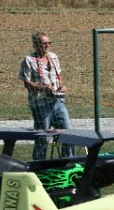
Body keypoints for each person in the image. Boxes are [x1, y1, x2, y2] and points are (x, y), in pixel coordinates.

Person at [19, 31, 74, 160]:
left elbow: (59, 79)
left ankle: (69, 162)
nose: (47, 46)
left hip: (58, 102)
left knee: (69, 133)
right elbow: (27, 83)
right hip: (41, 105)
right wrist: (43, 88)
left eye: (49, 43)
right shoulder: (29, 60)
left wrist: (62, 87)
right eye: (44, 43)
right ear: (36, 45)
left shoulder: (54, 57)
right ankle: (39, 165)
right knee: (42, 137)